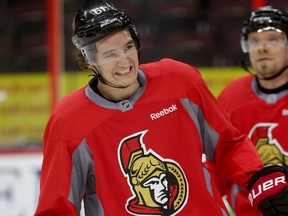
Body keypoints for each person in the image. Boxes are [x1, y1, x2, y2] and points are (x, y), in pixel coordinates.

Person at [34, 1, 288, 215]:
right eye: (110, 54)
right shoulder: (69, 121)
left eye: (129, 47)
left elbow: (227, 143)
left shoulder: (180, 82)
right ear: (89, 61)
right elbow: (56, 207)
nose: (125, 61)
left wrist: (258, 178)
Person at [216, 5, 288, 216]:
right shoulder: (231, 95)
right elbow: (216, 164)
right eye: (254, 41)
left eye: (272, 40)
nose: (261, 47)